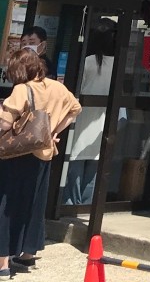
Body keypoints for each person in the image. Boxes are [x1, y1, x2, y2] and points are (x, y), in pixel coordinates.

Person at [0, 49, 80, 278]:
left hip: (17, 155)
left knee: (5, 205)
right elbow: (75, 109)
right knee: (34, 204)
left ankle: (2, 263)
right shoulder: (56, 87)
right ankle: (26, 256)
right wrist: (52, 131)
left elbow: (5, 124)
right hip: (44, 154)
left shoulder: (22, 89)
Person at [64, 20, 117, 205]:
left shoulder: (87, 61)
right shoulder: (117, 64)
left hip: (83, 116)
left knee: (76, 159)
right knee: (94, 164)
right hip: (104, 118)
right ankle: (87, 205)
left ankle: (71, 202)